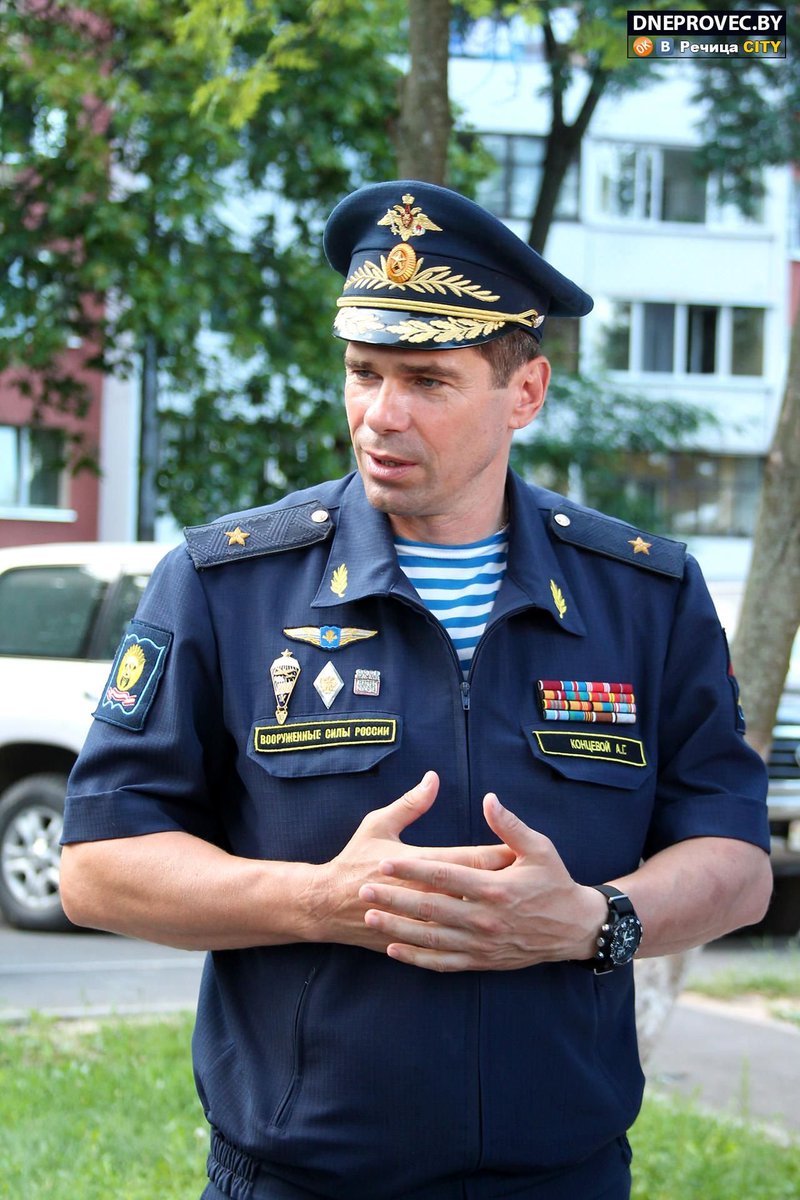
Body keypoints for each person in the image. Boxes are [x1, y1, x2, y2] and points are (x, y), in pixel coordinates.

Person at [60, 180, 772, 1200]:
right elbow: (97, 866)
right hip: (299, 1180)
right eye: (363, 372)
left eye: (428, 380)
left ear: (524, 392)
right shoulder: (226, 584)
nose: (379, 416)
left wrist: (592, 919)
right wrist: (317, 900)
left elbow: (736, 863)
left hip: (561, 1178)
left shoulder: (642, 595)